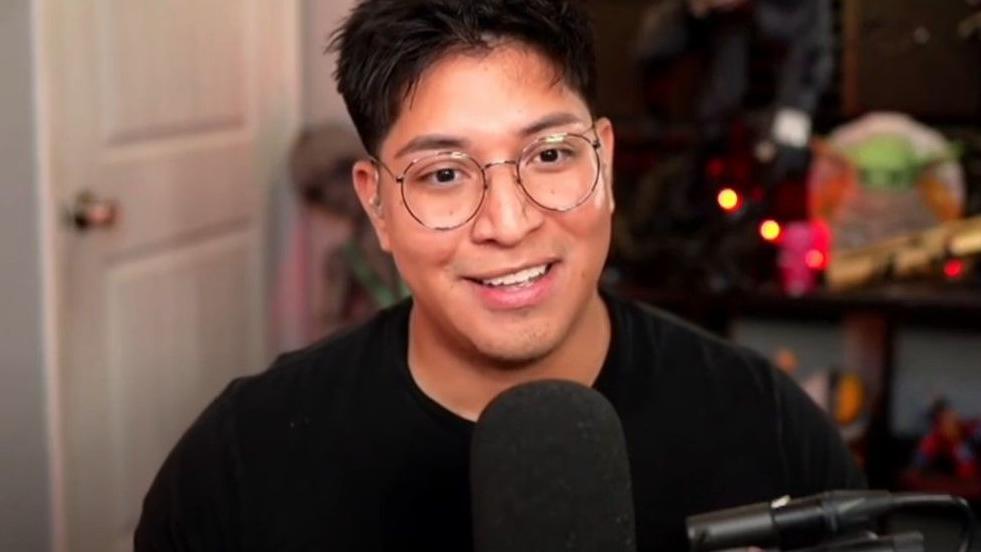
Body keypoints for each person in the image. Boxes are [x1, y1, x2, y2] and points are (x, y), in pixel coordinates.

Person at [135, 1, 865, 550]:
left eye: (549, 156)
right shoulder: (241, 459)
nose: (508, 223)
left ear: (603, 165)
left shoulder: (765, 427)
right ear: (377, 205)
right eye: (444, 173)